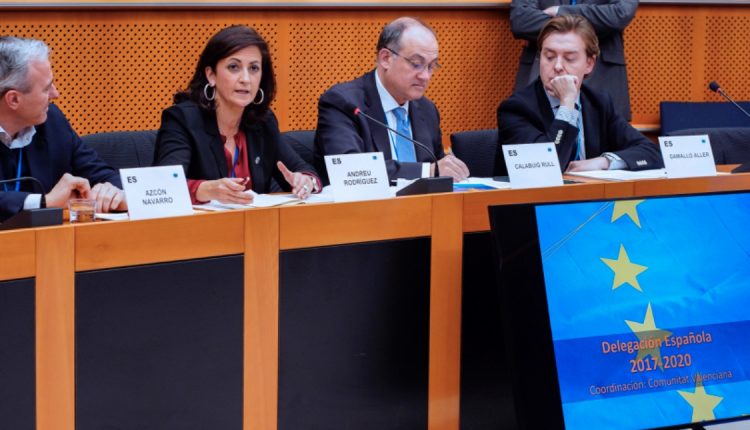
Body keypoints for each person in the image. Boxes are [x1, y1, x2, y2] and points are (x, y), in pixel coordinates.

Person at [154, 25, 319, 205]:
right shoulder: (182, 120)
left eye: (254, 68)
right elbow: (163, 187)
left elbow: (303, 170)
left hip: (253, 222)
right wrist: (204, 190)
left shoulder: (263, 122)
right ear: (211, 75)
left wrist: (305, 181)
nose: (246, 79)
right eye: (234, 67)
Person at [497, 15, 662, 174]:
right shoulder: (516, 109)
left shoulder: (598, 103)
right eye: (549, 57)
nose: (558, 66)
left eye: (569, 58)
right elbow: (548, 166)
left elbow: (651, 152)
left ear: (589, 64)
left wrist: (604, 161)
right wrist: (567, 105)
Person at [315, 17, 469, 183]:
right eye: (416, 63)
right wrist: (428, 171)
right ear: (386, 58)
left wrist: (450, 169)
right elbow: (350, 170)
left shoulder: (427, 109)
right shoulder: (344, 103)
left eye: (431, 66)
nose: (425, 76)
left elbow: (438, 167)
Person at [0, 36, 125, 222]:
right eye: (46, 88)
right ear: (14, 99)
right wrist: (44, 202)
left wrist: (114, 192)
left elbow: (98, 172)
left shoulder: (52, 121)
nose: (56, 94)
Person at [510, 0, 637, 121]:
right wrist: (588, 23)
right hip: (538, 73)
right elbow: (521, 20)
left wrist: (560, 11)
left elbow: (621, 12)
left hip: (603, 75)